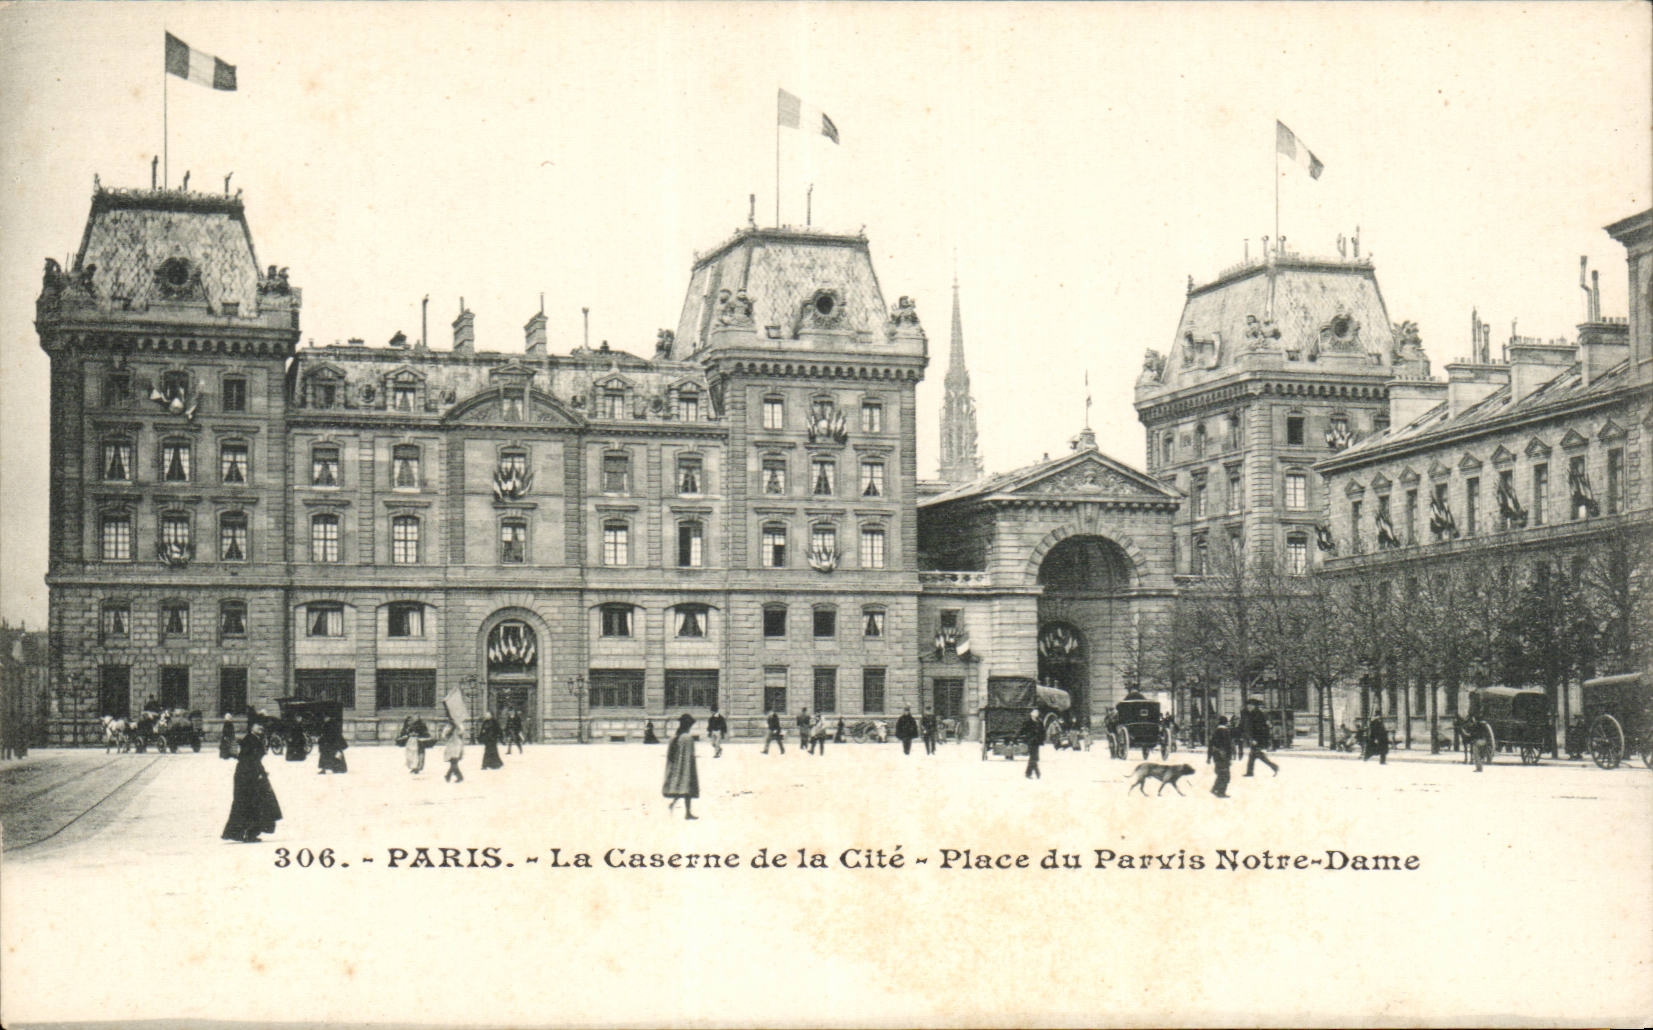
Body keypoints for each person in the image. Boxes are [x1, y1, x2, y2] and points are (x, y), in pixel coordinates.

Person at [221, 720, 282, 843]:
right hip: (248, 776)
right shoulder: (250, 739)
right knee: (253, 803)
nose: (260, 727)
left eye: (262, 725)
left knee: (251, 803)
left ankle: (242, 832)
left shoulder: (255, 739)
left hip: (250, 774)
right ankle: (248, 833)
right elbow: (247, 759)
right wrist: (257, 773)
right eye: (257, 724)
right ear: (251, 727)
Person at [663, 713, 699, 820]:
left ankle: (675, 805)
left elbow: (670, 755)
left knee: (680, 788)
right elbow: (691, 756)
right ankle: (687, 812)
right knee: (687, 790)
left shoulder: (674, 738)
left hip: (676, 768)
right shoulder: (688, 738)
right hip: (687, 768)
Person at [1242, 700, 1279, 777]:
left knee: (1257, 754)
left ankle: (1274, 766)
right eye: (1248, 705)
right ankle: (1250, 772)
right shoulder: (1252, 714)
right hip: (1255, 738)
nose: (1249, 707)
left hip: (1257, 739)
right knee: (1253, 755)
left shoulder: (1257, 715)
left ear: (1254, 706)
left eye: (1251, 705)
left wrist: (1255, 739)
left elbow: (1259, 729)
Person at [1207, 715, 1234, 798]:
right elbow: (1228, 746)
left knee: (1220, 773)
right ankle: (1221, 792)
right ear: (1226, 723)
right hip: (1224, 756)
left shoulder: (1215, 732)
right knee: (1225, 775)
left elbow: (1210, 745)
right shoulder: (1225, 732)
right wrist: (1230, 758)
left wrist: (1209, 757)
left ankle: (1214, 789)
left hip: (1216, 756)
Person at [1022, 707, 1045, 779]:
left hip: (1037, 742)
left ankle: (1028, 773)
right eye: (1034, 714)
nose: (1035, 715)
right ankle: (1037, 773)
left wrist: (1042, 739)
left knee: (1034, 758)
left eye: (1036, 714)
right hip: (1031, 741)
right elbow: (1023, 730)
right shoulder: (1028, 722)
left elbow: (1042, 732)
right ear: (1031, 715)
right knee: (1033, 757)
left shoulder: (1039, 722)